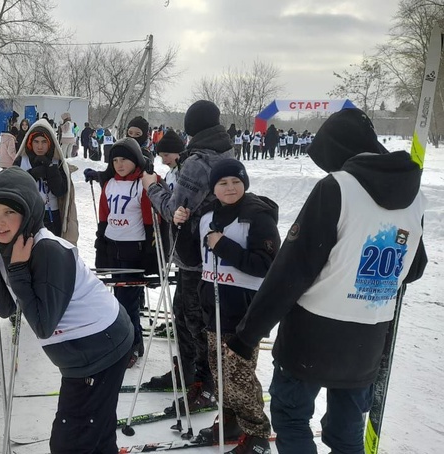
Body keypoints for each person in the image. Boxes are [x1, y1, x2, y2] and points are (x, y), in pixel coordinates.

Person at [226, 108, 427, 454]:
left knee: (291, 417)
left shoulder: (336, 188)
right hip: (368, 337)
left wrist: (247, 335)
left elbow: (291, 271)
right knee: (347, 432)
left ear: (335, 149)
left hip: (313, 335)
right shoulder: (414, 195)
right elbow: (414, 267)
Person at [0, 167, 133, 453]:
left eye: (9, 212)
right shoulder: (8, 246)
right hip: (82, 351)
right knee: (94, 431)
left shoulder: (48, 251)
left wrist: (19, 270)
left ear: (28, 212)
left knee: (71, 442)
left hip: (100, 349)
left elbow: (43, 324)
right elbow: (7, 308)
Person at [140, 100, 235, 413]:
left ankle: (204, 385)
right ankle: (189, 372)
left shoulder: (198, 161)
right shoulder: (226, 151)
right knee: (185, 314)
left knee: (193, 320)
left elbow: (174, 211)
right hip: (210, 253)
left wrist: (153, 188)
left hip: (195, 254)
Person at [183, 159, 280, 453]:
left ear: (245, 183)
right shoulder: (206, 216)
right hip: (212, 306)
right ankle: (230, 419)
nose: (230, 188)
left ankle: (257, 432)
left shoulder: (258, 216)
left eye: (236, 182)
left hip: (243, 310)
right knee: (219, 372)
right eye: (223, 183)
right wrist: (181, 224)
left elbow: (267, 265)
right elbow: (192, 256)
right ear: (214, 187)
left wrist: (224, 245)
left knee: (238, 375)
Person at [86, 138, 158, 367]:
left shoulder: (141, 184)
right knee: (116, 299)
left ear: (135, 159)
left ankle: (133, 343)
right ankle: (124, 340)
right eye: (114, 160)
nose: (119, 164)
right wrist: (101, 245)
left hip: (133, 249)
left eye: (124, 159)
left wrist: (150, 254)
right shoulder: (110, 184)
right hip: (114, 247)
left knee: (128, 301)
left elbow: (149, 221)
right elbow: (104, 216)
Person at [13, 120, 79, 244]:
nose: (39, 146)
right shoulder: (21, 161)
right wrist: (32, 175)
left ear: (50, 143)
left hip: (52, 216)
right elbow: (13, 188)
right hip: (28, 215)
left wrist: (50, 169)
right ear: (30, 142)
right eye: (36, 142)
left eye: (44, 142)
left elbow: (60, 191)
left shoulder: (57, 163)